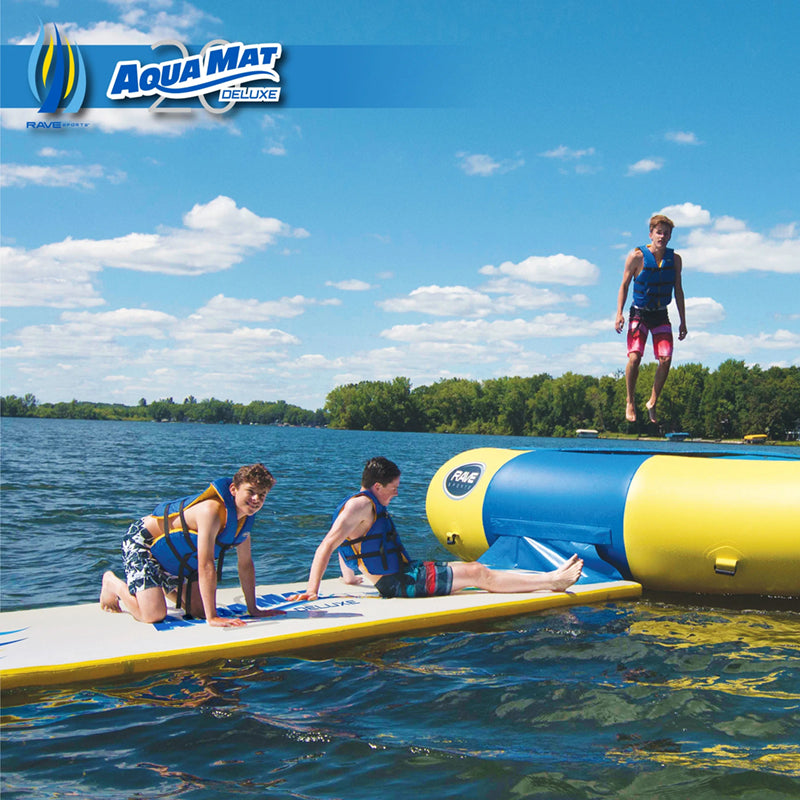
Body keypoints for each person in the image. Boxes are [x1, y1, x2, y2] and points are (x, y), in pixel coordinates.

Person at [289, 457, 583, 602]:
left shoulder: (356, 504)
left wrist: (349, 578)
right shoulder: (360, 507)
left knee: (472, 568)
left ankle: (548, 577)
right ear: (377, 486)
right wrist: (312, 590)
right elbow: (328, 543)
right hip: (397, 583)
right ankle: (551, 582)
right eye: (393, 488)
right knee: (477, 574)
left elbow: (348, 543)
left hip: (403, 572)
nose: (396, 493)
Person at [100, 463, 276, 627]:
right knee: (153, 615)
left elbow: (245, 565)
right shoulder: (211, 511)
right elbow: (206, 563)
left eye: (262, 495)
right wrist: (212, 617)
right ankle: (113, 583)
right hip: (143, 542)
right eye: (251, 491)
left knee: (197, 612)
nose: (256, 499)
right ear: (233, 489)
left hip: (172, 556)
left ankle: (159, 585)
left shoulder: (243, 522)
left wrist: (253, 609)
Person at [615, 213, 687, 424]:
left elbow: (679, 290)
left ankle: (652, 402)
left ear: (670, 236)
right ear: (651, 234)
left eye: (666, 233)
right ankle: (630, 400)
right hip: (639, 312)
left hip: (660, 313)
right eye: (659, 232)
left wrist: (683, 320)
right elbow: (625, 285)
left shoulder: (675, 260)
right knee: (635, 357)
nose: (662, 236)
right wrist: (619, 313)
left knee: (665, 359)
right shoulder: (637, 256)